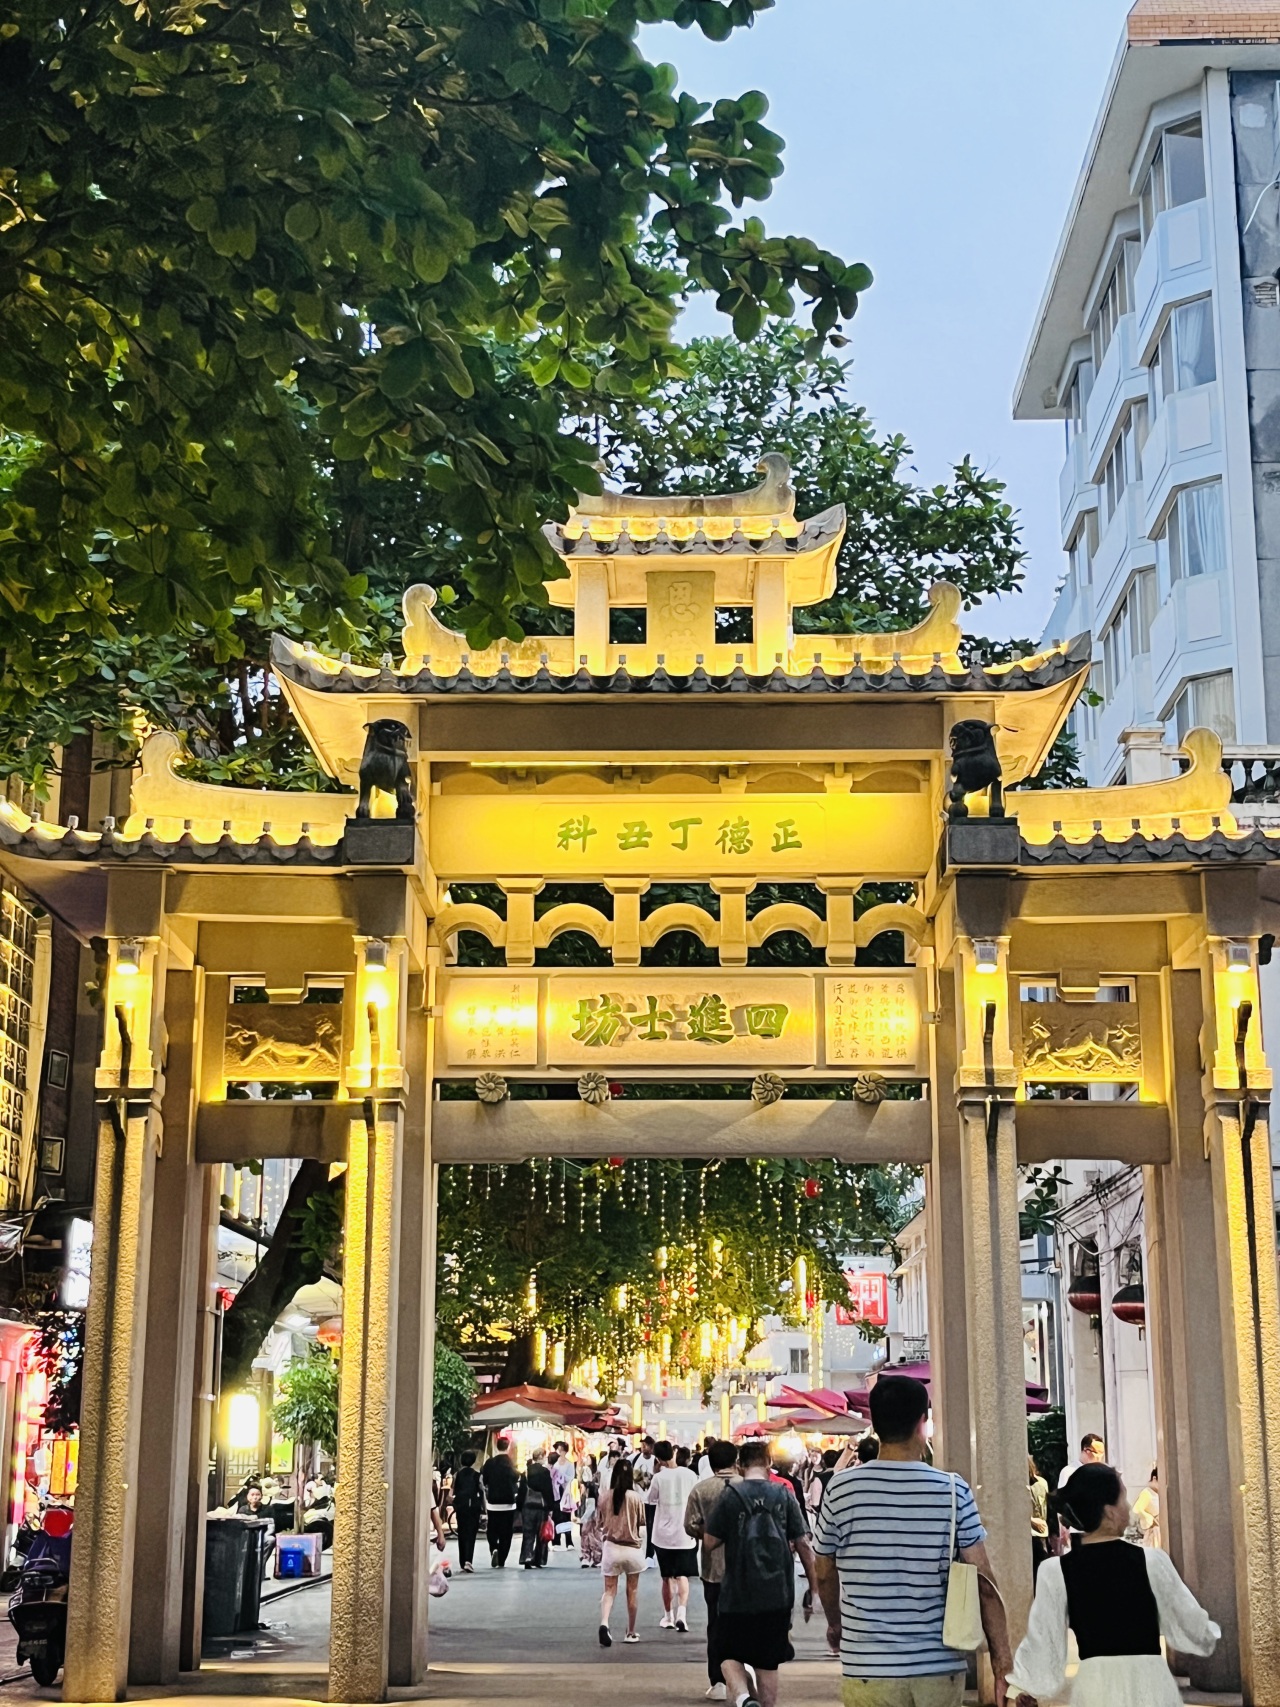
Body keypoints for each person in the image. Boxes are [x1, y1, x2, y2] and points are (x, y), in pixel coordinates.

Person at [812, 1373, 1013, 1707]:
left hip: (868, 1669)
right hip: (939, 1668)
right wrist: (1002, 1665)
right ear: (923, 1422)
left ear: (875, 1424)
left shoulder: (841, 1489)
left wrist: (836, 1624)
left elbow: (822, 1572)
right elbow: (984, 1583)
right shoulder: (953, 1490)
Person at [1007, 1462, 1218, 1706]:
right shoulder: (1151, 1561)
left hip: (1095, 1685)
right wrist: (1210, 1633)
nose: (1127, 1506)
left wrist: (1025, 1687)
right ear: (1110, 1512)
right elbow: (1189, 1622)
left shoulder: (1056, 1571)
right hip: (1150, 1682)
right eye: (1123, 1498)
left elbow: (1043, 1640)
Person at [702, 1438, 819, 1707]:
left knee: (726, 1653)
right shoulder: (784, 1495)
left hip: (737, 1594)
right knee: (768, 1662)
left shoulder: (730, 1495)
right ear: (768, 1463)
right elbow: (803, 1544)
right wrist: (813, 1588)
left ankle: (744, 1698)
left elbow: (709, 1542)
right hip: (777, 1595)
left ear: (740, 1465)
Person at [684, 1437, 740, 1701]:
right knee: (745, 1622)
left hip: (713, 1568)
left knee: (716, 1624)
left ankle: (718, 1680)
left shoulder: (701, 1490)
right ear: (735, 1461)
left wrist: (708, 1534)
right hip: (746, 1568)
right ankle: (744, 1676)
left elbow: (689, 1525)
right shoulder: (749, 1487)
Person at [647, 1440, 698, 1631]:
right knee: (682, 1575)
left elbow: (650, 1499)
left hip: (663, 1535)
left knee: (667, 1577)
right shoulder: (690, 1475)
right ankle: (682, 1615)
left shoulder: (659, 1477)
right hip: (684, 1533)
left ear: (658, 1459)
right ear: (674, 1453)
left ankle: (668, 1616)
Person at [598, 1457, 645, 1646]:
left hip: (611, 1548)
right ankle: (631, 1632)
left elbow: (600, 1523)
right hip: (632, 1550)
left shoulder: (604, 1496)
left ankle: (604, 1623)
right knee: (632, 1591)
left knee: (609, 1591)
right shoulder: (635, 1497)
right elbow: (641, 1523)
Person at [481, 1439, 519, 1569]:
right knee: (506, 1532)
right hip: (508, 1503)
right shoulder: (511, 1463)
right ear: (507, 1447)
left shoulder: (490, 1463)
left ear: (496, 1447)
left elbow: (485, 1480)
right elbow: (516, 1477)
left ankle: (494, 1548)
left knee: (492, 1528)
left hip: (493, 1502)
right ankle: (502, 1559)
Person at [518, 1449, 554, 1569]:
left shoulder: (526, 1472)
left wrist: (519, 1506)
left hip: (528, 1506)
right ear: (541, 1457)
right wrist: (551, 1507)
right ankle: (538, 1559)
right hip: (541, 1506)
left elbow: (522, 1490)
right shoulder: (545, 1472)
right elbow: (548, 1490)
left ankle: (526, 1557)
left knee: (528, 1533)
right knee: (541, 1533)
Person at [452, 1450, 484, 1573]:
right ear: (473, 1461)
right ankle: (468, 1561)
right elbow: (482, 1492)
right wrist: (484, 1509)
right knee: (471, 1534)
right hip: (473, 1507)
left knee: (462, 1533)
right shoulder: (477, 1475)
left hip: (461, 1506)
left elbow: (452, 1491)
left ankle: (462, 1561)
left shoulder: (457, 1475)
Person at [632, 1437, 658, 1564]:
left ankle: (650, 1553)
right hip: (638, 1498)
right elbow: (633, 1477)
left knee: (651, 1526)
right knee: (636, 1525)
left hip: (651, 1500)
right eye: (642, 1445)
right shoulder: (636, 1459)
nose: (643, 1448)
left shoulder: (655, 1461)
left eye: (646, 1445)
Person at [550, 1440, 575, 1550]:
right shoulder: (554, 1464)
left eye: (561, 1450)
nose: (559, 1452)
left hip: (565, 1493)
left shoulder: (569, 1464)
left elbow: (571, 1478)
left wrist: (561, 1476)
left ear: (565, 1451)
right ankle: (556, 1541)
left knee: (566, 1516)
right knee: (556, 1516)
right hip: (555, 1493)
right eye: (558, 1450)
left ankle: (569, 1541)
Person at [1029, 1454, 1051, 1577]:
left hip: (1041, 1534)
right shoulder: (1016, 1485)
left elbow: (1048, 1508)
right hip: (1027, 1535)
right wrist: (1031, 1520)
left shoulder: (1042, 1483)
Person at [1131, 1467, 1161, 1550]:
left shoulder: (1157, 1494)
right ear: (1154, 1479)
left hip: (1159, 1530)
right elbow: (1137, 1508)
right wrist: (1150, 1518)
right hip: (1153, 1531)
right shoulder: (1147, 1493)